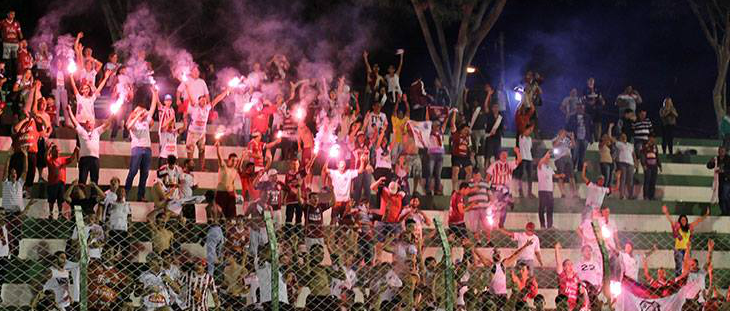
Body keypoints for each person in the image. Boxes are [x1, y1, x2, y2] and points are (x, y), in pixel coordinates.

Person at [183, 75, 228, 171]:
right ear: (198, 101)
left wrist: (226, 91)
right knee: (190, 150)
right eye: (201, 99)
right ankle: (189, 167)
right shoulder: (195, 106)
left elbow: (217, 99)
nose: (203, 100)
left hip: (202, 133)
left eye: (204, 99)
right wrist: (187, 87)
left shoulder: (207, 107)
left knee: (202, 150)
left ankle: (202, 167)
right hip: (193, 132)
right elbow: (190, 97)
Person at [124, 87, 159, 202]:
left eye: (143, 111)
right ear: (135, 113)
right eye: (140, 110)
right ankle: (125, 193)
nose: (143, 112)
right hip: (137, 149)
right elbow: (128, 126)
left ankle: (141, 196)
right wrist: (137, 116)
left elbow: (153, 107)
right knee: (133, 172)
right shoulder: (133, 123)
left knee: (145, 174)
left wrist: (154, 94)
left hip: (147, 149)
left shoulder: (145, 121)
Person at [661, 204, 709, 276]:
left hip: (687, 250)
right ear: (679, 221)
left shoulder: (689, 227)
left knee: (687, 266)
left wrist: (706, 215)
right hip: (679, 250)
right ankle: (678, 281)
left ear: (686, 220)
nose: (683, 221)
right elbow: (671, 220)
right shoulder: (678, 227)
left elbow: (698, 221)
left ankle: (685, 280)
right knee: (679, 266)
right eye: (682, 219)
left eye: (685, 219)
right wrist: (666, 212)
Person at [322, 155, 366, 225]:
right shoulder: (334, 173)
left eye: (344, 164)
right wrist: (328, 159)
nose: (343, 165)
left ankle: (343, 234)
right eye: (341, 164)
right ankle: (332, 235)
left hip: (346, 203)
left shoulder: (349, 173)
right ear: (337, 165)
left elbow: (360, 171)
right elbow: (325, 170)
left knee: (345, 223)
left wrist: (362, 161)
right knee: (333, 222)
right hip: (337, 203)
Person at [46, 144, 79, 219]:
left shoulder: (62, 159)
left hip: (61, 183)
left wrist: (75, 151)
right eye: (56, 151)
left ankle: (60, 213)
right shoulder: (50, 159)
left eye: (58, 151)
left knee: (60, 200)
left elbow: (71, 159)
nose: (58, 152)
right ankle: (51, 213)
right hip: (52, 183)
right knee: (51, 200)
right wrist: (48, 149)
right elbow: (45, 157)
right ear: (53, 152)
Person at [554, 243, 588, 311]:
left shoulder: (576, 277)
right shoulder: (562, 276)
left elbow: (583, 290)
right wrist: (556, 249)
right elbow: (558, 263)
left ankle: (585, 307)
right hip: (564, 305)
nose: (570, 266)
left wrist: (585, 305)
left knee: (584, 289)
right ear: (564, 267)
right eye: (568, 264)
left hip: (574, 306)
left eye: (571, 264)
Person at [536, 151, 564, 229]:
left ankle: (550, 225)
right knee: (541, 208)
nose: (548, 160)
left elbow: (554, 175)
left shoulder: (549, 168)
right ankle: (542, 225)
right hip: (543, 190)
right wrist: (546, 155)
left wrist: (560, 175)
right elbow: (540, 162)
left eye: (548, 158)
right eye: (547, 158)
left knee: (550, 209)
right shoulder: (540, 167)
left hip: (549, 191)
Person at [215, 140, 239, 219]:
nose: (234, 162)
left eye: (235, 161)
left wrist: (235, 194)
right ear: (228, 160)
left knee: (231, 216)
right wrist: (218, 148)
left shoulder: (235, 171)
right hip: (221, 193)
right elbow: (219, 157)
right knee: (220, 215)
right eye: (232, 160)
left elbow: (232, 183)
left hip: (231, 195)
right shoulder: (223, 167)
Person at [450, 112, 473, 195]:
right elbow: (452, 124)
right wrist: (454, 113)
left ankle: (464, 186)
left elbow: (470, 148)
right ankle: (454, 189)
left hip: (465, 157)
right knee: (455, 171)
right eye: (465, 129)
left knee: (470, 171)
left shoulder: (468, 138)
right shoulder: (456, 134)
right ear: (462, 129)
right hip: (457, 156)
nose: (467, 131)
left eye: (468, 130)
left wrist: (471, 155)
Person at [156, 94, 181, 167]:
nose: (168, 102)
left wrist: (173, 128)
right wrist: (156, 93)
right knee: (163, 151)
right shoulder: (162, 108)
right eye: (167, 100)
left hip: (170, 131)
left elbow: (173, 121)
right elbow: (158, 102)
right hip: (164, 131)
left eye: (170, 100)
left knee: (170, 151)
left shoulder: (172, 110)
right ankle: (161, 169)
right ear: (164, 101)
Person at [566, 103, 592, 171]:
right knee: (574, 154)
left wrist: (590, 138)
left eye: (582, 108)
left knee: (582, 155)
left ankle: (580, 170)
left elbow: (590, 128)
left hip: (585, 138)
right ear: (576, 108)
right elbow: (568, 127)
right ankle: (572, 168)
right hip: (575, 138)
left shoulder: (587, 117)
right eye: (579, 108)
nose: (580, 109)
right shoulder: (572, 117)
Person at [552, 129, 575, 198]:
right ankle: (563, 193)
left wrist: (572, 138)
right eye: (562, 132)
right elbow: (555, 145)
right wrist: (560, 137)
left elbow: (573, 146)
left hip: (568, 157)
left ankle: (574, 193)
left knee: (571, 176)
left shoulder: (567, 140)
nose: (564, 133)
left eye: (564, 132)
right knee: (561, 175)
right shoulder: (555, 138)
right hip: (559, 158)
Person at [615, 132, 637, 200]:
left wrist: (635, 162)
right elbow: (611, 139)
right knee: (623, 179)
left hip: (630, 163)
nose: (624, 137)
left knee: (630, 180)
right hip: (622, 163)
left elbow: (633, 154)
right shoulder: (619, 144)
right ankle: (621, 195)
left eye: (625, 136)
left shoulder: (630, 145)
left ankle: (630, 195)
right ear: (620, 138)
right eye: (622, 136)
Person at [640, 136, 661, 200]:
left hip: (654, 166)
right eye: (651, 138)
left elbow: (657, 156)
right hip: (647, 165)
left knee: (653, 181)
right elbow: (642, 155)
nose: (653, 140)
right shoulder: (645, 146)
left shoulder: (655, 147)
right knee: (647, 181)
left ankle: (651, 196)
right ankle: (645, 196)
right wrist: (643, 164)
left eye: (653, 139)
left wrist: (659, 165)